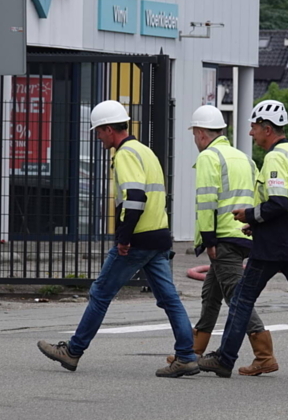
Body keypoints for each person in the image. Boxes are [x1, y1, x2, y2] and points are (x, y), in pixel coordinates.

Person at [38, 100, 198, 378]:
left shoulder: (125, 154)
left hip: (137, 239)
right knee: (170, 299)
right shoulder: (146, 152)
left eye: (99, 131)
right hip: (159, 237)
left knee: (100, 293)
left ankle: (72, 352)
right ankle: (185, 356)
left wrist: (124, 239)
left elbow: (135, 199)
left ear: (110, 129)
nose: (98, 137)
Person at [197, 99, 288, 384]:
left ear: (267, 128)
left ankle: (225, 359)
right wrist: (257, 223)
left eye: (253, 128)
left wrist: (249, 214)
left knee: (241, 299)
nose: (251, 134)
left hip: (279, 244)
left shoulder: (275, 158)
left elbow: (278, 202)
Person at [171, 104, 279, 376]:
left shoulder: (210, 157)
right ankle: (193, 351)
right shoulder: (243, 157)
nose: (195, 141)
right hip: (244, 233)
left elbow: (207, 201)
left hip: (224, 238)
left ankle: (264, 355)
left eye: (194, 135)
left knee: (237, 297)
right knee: (211, 293)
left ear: (201, 133)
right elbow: (259, 195)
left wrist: (209, 240)